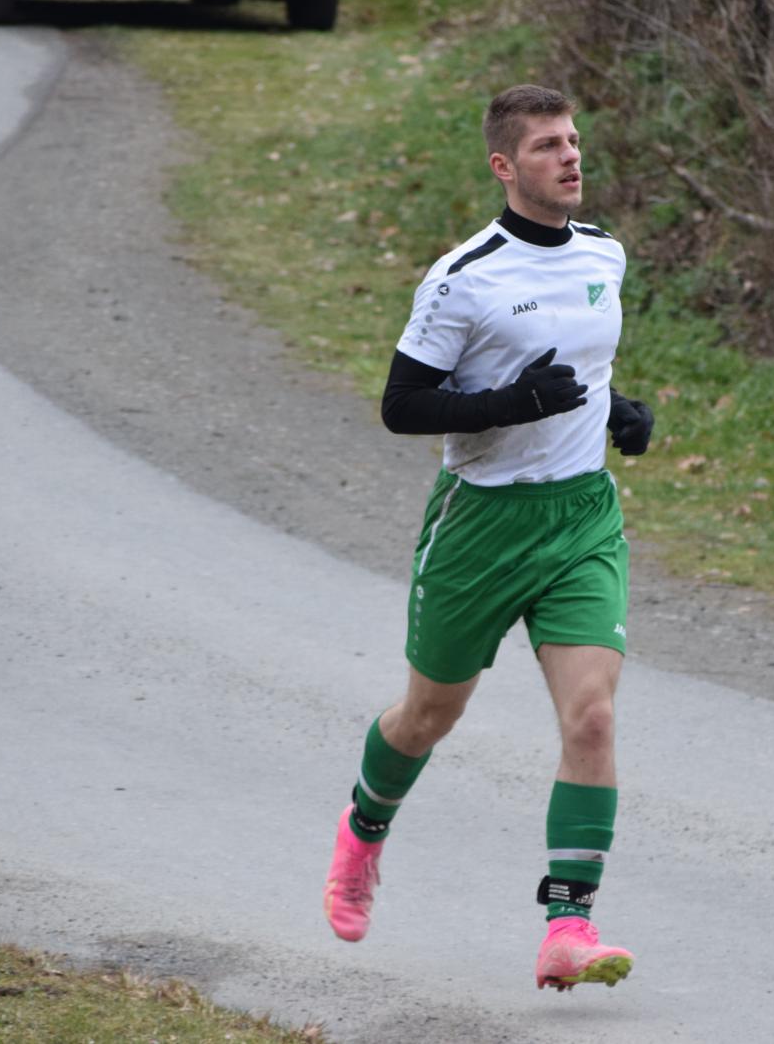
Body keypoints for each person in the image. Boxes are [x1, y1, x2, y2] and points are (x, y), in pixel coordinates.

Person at [323, 83, 656, 992]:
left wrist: (618, 412)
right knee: (429, 714)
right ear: (506, 166)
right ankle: (363, 831)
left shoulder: (605, 254)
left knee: (590, 715)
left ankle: (569, 926)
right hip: (482, 521)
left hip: (582, 514)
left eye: (576, 139)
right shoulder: (463, 277)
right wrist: (511, 406)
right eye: (549, 145)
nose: (572, 156)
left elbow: (582, 365)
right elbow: (403, 406)